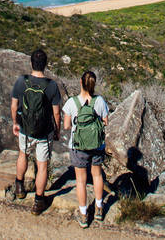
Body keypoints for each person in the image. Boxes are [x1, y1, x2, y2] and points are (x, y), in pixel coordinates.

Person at [10, 48, 61, 215]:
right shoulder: (52, 86)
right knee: (42, 165)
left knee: (22, 155)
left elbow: (14, 106)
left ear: (31, 63)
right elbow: (56, 113)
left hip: (25, 128)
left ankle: (19, 186)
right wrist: (57, 130)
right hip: (44, 132)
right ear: (45, 65)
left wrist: (15, 123)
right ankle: (39, 201)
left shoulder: (21, 81)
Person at [62, 70, 109, 228]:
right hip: (97, 145)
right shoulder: (100, 101)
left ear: (81, 83)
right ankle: (99, 208)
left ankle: (83, 215)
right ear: (94, 85)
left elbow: (67, 125)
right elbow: (105, 121)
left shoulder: (71, 102)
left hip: (78, 146)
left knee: (81, 180)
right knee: (97, 175)